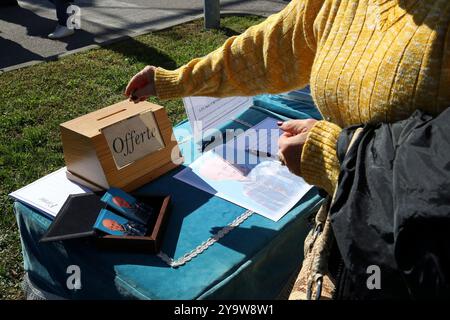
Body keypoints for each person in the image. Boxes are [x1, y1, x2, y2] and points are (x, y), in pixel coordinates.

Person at [125, 0, 450, 198]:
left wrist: (335, 153)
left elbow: (437, 174)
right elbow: (266, 52)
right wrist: (177, 80)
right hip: (352, 230)